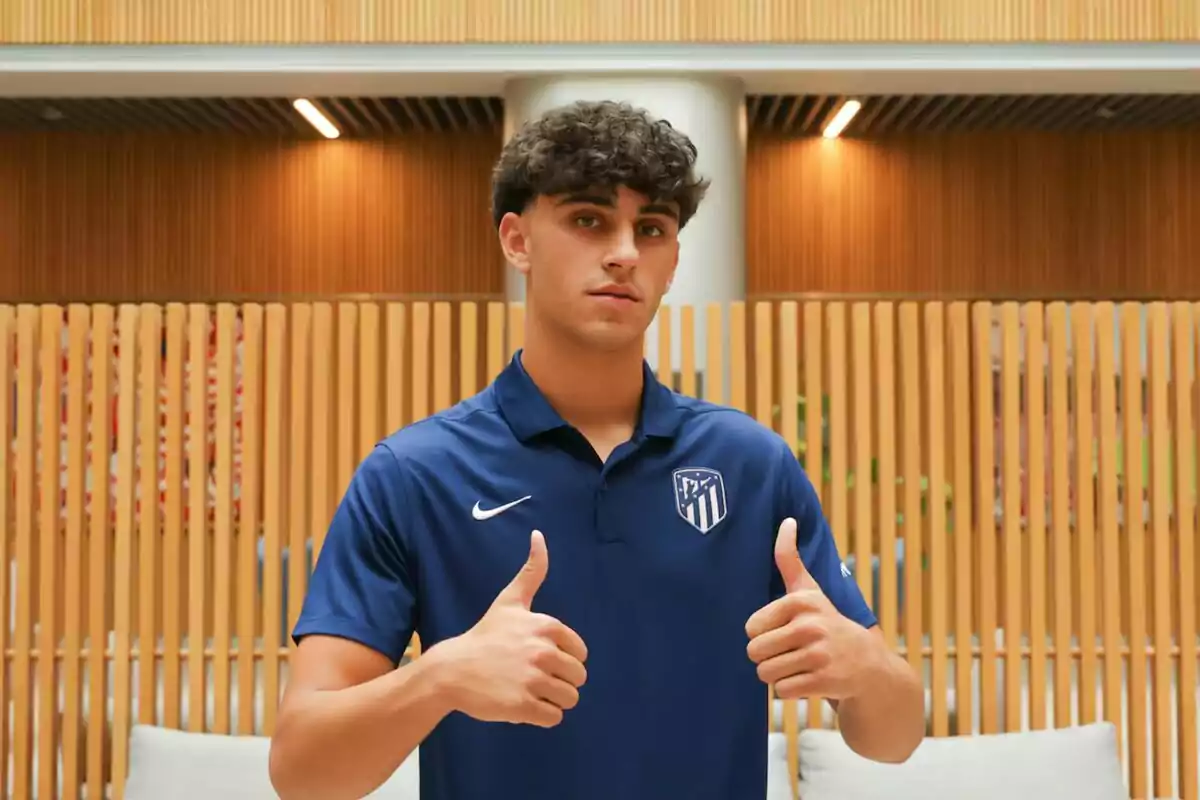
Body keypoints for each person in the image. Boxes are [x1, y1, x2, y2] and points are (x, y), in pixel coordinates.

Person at [268, 99, 924, 800]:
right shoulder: (413, 474)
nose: (623, 252)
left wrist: (861, 668)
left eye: (651, 229)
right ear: (517, 240)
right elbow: (303, 771)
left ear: (672, 262)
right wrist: (439, 677)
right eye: (588, 220)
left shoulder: (751, 465)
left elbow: (895, 736)